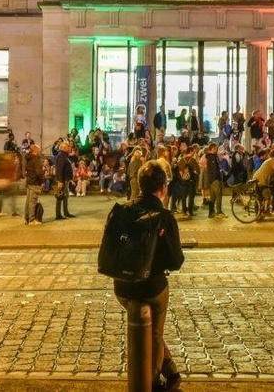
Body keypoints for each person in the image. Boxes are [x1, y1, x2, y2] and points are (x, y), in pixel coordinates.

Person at [113, 162, 185, 392]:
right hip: (152, 287)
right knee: (154, 333)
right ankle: (152, 382)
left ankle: (171, 372)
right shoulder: (164, 217)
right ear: (162, 188)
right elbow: (175, 262)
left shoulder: (122, 211)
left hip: (122, 287)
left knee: (147, 329)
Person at [23, 145, 45, 225]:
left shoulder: (28, 158)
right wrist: (42, 180)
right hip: (35, 182)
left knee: (28, 201)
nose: (39, 151)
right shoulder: (36, 159)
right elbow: (38, 172)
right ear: (35, 151)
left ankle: (27, 218)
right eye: (38, 150)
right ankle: (31, 220)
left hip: (29, 181)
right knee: (33, 201)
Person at [54, 140, 75, 220]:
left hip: (65, 180)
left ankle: (66, 212)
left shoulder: (65, 156)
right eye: (68, 146)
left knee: (65, 196)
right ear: (64, 148)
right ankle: (58, 214)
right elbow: (59, 169)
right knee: (60, 196)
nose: (70, 148)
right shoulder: (61, 156)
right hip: (62, 180)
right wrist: (60, 181)